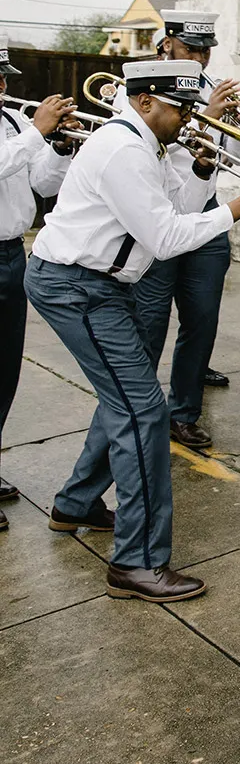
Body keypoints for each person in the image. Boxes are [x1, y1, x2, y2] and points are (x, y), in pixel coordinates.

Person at [24, 59, 240, 603]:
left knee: (124, 399)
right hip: (77, 286)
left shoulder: (150, 145)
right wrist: (238, 208)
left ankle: (75, 504)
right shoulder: (124, 148)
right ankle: (136, 564)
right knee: (143, 411)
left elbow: (179, 207)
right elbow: (165, 238)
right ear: (145, 103)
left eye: (191, 107)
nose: (189, 118)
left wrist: (206, 171)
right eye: (181, 108)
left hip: (98, 286)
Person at [129, 12, 240, 449]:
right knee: (150, 324)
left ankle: (184, 415)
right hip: (157, 216)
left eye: (206, 49)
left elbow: (228, 159)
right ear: (168, 44)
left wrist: (229, 126)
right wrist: (206, 117)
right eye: (191, 48)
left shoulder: (210, 87)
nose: (200, 56)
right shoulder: (147, 85)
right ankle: (138, 415)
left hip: (206, 213)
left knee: (202, 322)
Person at [0, 35, 76, 531]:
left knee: (5, 372)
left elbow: (42, 186)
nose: (4, 86)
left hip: (11, 255)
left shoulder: (10, 123)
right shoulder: (19, 128)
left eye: (4, 78)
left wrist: (61, 148)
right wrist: (34, 132)